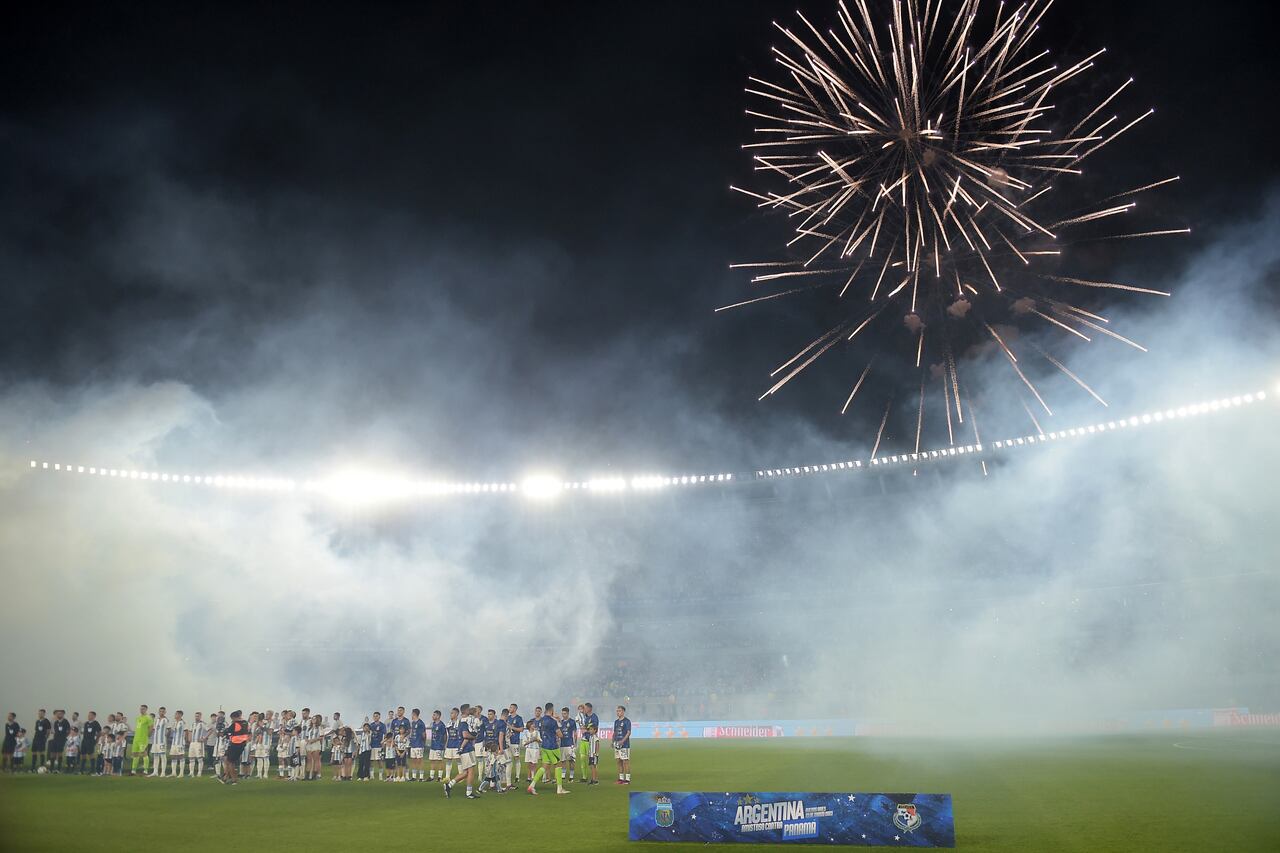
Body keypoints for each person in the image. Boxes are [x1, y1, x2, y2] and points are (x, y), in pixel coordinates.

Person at [529, 701, 568, 796]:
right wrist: (558, 721)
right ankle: (559, 788)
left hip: (544, 746)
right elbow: (560, 735)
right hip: (552, 746)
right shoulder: (552, 721)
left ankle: (532, 785)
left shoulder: (541, 720)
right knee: (558, 765)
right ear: (552, 710)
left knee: (544, 766)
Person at [443, 704, 478, 800]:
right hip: (467, 749)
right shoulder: (463, 723)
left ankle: (449, 785)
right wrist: (474, 736)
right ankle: (469, 792)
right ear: (466, 711)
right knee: (471, 771)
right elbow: (465, 735)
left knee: (466, 772)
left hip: (464, 749)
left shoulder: (461, 722)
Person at [222, 710, 249, 784]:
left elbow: (226, 732)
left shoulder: (235, 724)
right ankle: (225, 777)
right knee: (229, 760)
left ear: (233, 717)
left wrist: (223, 732)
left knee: (230, 762)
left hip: (235, 744)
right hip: (243, 744)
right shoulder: (245, 723)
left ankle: (234, 779)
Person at [130, 705, 152, 775]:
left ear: (146, 709)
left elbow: (151, 727)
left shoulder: (148, 718)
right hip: (136, 738)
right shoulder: (138, 718)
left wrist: (148, 735)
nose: (141, 710)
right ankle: (133, 770)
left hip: (143, 738)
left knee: (143, 753)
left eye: (143, 709)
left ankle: (145, 770)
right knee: (135, 753)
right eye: (141, 709)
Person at [582, 702, 601, 785]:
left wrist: (596, 753)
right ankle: (593, 779)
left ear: (589, 708)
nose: (584, 710)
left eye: (585, 708)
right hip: (590, 750)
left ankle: (595, 780)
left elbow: (597, 744)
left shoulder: (594, 717)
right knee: (591, 765)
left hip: (593, 753)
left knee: (593, 765)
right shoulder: (586, 717)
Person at [148, 708, 169, 777]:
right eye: (160, 711)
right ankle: (155, 772)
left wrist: (166, 736)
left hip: (162, 741)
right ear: (158, 712)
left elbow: (168, 730)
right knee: (155, 756)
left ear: (165, 712)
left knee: (163, 756)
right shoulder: (156, 720)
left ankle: (163, 772)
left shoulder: (166, 720)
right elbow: (154, 729)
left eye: (163, 711)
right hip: (155, 741)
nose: (161, 712)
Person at [558, 707, 577, 783]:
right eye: (562, 713)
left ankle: (571, 776)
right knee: (563, 760)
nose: (563, 715)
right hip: (562, 744)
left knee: (571, 760)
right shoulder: (561, 722)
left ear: (568, 713)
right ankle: (563, 775)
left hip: (570, 744)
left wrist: (575, 743)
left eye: (565, 713)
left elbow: (575, 733)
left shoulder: (572, 722)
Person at [614, 705, 632, 784]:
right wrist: (612, 741)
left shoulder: (627, 721)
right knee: (619, 761)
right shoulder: (616, 722)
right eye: (617, 711)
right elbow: (615, 732)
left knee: (625, 761)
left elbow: (628, 732)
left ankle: (627, 779)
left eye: (620, 711)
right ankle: (621, 779)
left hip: (624, 745)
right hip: (617, 744)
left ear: (623, 712)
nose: (618, 712)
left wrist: (622, 741)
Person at [506, 704, 524, 784]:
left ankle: (517, 776)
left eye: (511, 707)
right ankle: (508, 776)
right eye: (509, 707)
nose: (509, 709)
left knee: (516, 758)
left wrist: (512, 728)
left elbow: (521, 729)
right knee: (508, 760)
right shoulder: (508, 718)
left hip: (515, 741)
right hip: (507, 742)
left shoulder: (519, 718)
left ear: (515, 709)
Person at [408, 709, 427, 782]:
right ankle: (414, 777)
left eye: (412, 714)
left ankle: (421, 777)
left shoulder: (420, 723)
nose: (411, 716)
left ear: (414, 714)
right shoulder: (413, 723)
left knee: (420, 761)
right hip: (413, 744)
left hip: (419, 744)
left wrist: (423, 743)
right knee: (413, 760)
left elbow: (424, 734)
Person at [187, 712, 208, 778]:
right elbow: (190, 731)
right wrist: (189, 738)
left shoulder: (203, 724)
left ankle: (199, 773)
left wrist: (204, 738)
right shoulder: (193, 724)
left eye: (198, 716)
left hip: (199, 743)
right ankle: (191, 772)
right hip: (192, 743)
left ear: (200, 717)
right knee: (191, 758)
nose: (196, 717)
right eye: (196, 716)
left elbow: (210, 730)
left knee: (199, 758)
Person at [443, 708, 461, 782]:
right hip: (449, 745)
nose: (451, 714)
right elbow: (447, 735)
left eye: (452, 713)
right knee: (448, 760)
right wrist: (446, 744)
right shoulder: (448, 723)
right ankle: (447, 777)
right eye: (451, 713)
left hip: (457, 745)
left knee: (459, 760)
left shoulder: (459, 723)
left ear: (457, 714)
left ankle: (460, 776)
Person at [428, 710, 446, 782]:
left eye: (434, 715)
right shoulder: (433, 724)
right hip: (433, 745)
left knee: (439, 761)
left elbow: (445, 735)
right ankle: (431, 777)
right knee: (432, 760)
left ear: (438, 716)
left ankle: (439, 777)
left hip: (439, 746)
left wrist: (443, 744)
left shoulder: (441, 725)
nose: (433, 716)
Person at [522, 720, 540, 784]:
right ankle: (528, 777)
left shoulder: (537, 732)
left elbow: (540, 741)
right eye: (532, 724)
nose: (534, 725)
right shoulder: (526, 733)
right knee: (529, 763)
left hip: (535, 749)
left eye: (534, 724)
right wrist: (530, 741)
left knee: (534, 763)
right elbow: (524, 743)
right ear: (529, 725)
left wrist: (536, 739)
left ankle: (533, 777)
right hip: (528, 749)